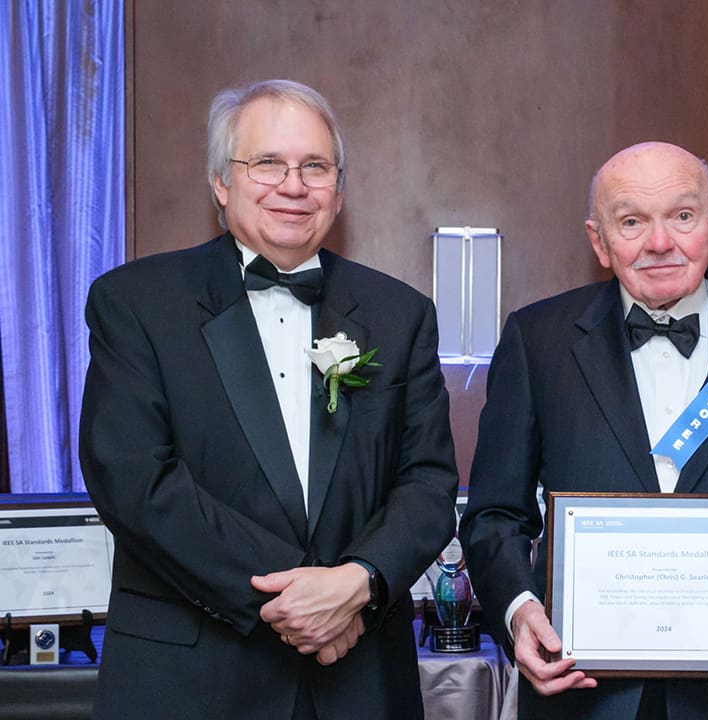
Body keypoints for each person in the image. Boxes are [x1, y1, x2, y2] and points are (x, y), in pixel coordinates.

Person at [79, 79, 460, 719]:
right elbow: (135, 481)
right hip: (189, 680)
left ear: (338, 191)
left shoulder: (402, 315)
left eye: (315, 166)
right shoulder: (136, 303)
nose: (293, 185)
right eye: (267, 163)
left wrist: (358, 582)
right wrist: (308, 597)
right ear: (221, 183)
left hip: (357, 681)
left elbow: (428, 483)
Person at [459, 141, 708, 719]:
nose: (659, 243)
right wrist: (520, 610)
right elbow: (495, 513)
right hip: (581, 694)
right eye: (631, 222)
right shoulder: (537, 341)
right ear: (599, 241)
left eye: (682, 216)